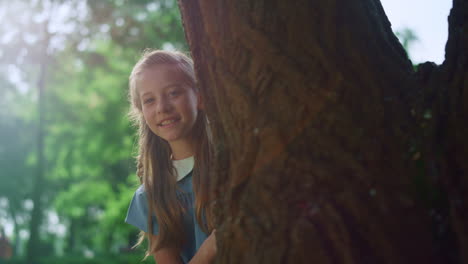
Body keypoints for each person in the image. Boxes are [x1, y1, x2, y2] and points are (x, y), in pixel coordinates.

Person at [125, 50, 217, 263]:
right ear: (142, 112)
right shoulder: (150, 196)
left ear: (200, 96)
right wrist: (214, 245)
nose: (162, 108)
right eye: (149, 100)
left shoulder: (235, 163)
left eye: (174, 93)